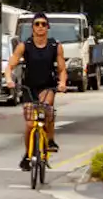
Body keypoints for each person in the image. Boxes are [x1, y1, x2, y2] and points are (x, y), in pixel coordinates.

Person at [4, 11, 67, 170]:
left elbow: (61, 69)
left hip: (47, 86)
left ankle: (50, 140)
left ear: (48, 27)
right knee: (31, 125)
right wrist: (10, 80)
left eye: (43, 24)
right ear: (32, 27)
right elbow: (10, 66)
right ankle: (28, 153)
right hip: (29, 88)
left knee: (47, 109)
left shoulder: (55, 46)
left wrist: (62, 83)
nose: (40, 27)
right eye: (37, 24)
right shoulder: (24, 46)